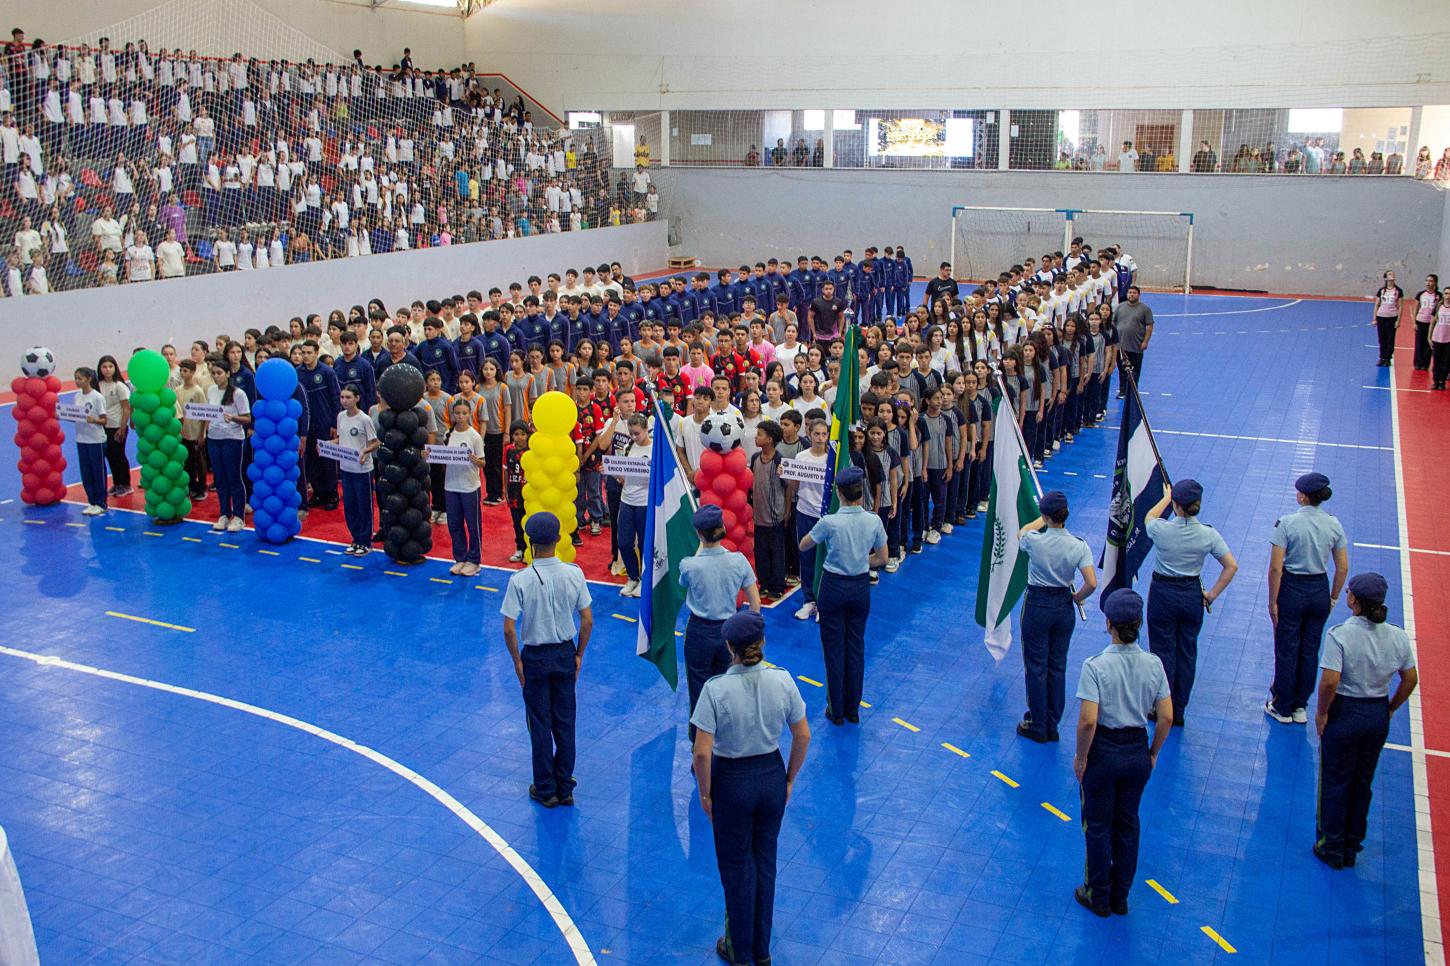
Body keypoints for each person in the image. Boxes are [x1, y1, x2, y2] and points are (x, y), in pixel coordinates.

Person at [691, 610, 811, 966]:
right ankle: (762, 951)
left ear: (729, 647)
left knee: (736, 867)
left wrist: (705, 794)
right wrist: (788, 778)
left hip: (732, 781)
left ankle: (739, 951)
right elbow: (802, 735)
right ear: (762, 642)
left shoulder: (716, 689)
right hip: (770, 774)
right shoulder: (782, 680)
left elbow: (702, 752)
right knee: (765, 863)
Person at [1073, 589, 1173, 917]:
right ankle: (1120, 896)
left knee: (1098, 825)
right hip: (1136, 750)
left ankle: (1097, 894)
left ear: (1109, 624)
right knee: (1128, 824)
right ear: (1139, 624)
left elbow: (1088, 721)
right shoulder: (1154, 665)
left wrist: (1082, 758)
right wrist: (1152, 753)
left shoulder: (1095, 666)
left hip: (1103, 751)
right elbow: (1166, 717)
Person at [1313, 572, 1418, 869]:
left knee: (1335, 780)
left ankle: (1330, 845)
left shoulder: (1340, 635)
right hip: (1376, 713)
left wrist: (1322, 713)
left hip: (1346, 712)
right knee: (1363, 781)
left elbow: (1330, 682)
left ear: (1354, 601)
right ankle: (1352, 844)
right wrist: (1390, 708)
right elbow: (1410, 678)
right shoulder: (1397, 636)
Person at [501, 511, 593, 808]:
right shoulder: (574, 573)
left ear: (529, 542)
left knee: (540, 724)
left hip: (536, 658)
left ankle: (546, 789)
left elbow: (509, 627)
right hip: (565, 653)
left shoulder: (520, 580)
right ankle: (565, 786)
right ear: (558, 539)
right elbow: (587, 620)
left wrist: (517, 662)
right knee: (565, 722)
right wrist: (579, 654)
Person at [1143, 479, 1238, 726]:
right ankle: (1179, 710)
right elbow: (1231, 566)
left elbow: (1149, 517)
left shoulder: (1161, 530)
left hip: (1163, 593)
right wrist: (1212, 594)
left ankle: (1162, 707)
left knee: (1162, 651)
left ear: (1176, 505)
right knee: (1187, 651)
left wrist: (1165, 498)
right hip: (1191, 594)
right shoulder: (1208, 534)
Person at [799, 465, 890, 725]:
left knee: (833, 648)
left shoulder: (830, 522)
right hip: (859, 587)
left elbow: (804, 545)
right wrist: (860, 560)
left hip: (833, 587)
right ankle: (853, 710)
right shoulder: (873, 520)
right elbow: (883, 558)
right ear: (861, 493)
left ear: (838, 493)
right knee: (856, 647)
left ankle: (836, 710)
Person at [1266, 472, 1349, 725]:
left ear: (1302, 496)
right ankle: (1300, 705)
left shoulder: (1287, 523)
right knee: (1310, 649)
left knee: (1287, 648)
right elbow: (1342, 567)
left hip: (1293, 588)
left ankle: (1282, 706)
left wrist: (1273, 601)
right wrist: (1333, 597)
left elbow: (1276, 568)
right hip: (1319, 589)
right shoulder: (1334, 524)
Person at [1017, 490, 1098, 742]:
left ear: (1046, 516)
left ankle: (1037, 722)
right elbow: (1091, 583)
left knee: (1036, 665)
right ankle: (1052, 723)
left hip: (1038, 604)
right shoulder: (1079, 545)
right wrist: (1077, 597)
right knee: (1057, 664)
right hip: (1063, 605)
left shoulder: (1035, 541)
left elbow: (1022, 532)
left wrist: (1039, 520)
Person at [680, 504, 761, 740]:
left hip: (699, 633)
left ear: (699, 534)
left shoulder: (689, 565)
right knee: (728, 689)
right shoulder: (738, 561)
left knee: (699, 690)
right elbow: (755, 603)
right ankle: (725, 740)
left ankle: (699, 743)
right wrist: (749, 635)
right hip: (730, 633)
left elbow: (684, 582)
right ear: (723, 528)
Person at [205, 359, 251, 533]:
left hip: (232, 439)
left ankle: (238, 516)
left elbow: (247, 418)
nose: (216, 376)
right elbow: (208, 412)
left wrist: (233, 418)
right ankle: (224, 513)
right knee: (220, 478)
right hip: (214, 438)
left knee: (234, 477)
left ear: (227, 374)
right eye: (213, 373)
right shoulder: (211, 390)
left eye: (219, 373)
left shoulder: (238, 394)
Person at [442, 399, 486, 575]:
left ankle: (474, 560)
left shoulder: (474, 436)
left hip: (469, 486)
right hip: (451, 486)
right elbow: (444, 457)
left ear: (470, 414)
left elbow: (482, 462)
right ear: (453, 414)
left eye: (464, 413)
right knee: (454, 524)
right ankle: (460, 558)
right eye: (457, 413)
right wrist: (430, 455)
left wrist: (476, 461)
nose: (460, 416)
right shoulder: (448, 434)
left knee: (473, 525)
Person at [335, 384, 379, 555]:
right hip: (345, 468)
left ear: (357, 398)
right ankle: (356, 538)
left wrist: (365, 452)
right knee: (350, 505)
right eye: (342, 397)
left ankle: (366, 541)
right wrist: (327, 445)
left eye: (348, 397)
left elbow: (375, 442)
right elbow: (340, 439)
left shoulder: (364, 419)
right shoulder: (340, 417)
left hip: (362, 470)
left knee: (364, 506)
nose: (344, 401)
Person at [71, 366, 110, 516]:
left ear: (89, 379)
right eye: (76, 378)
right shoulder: (77, 396)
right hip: (81, 438)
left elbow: (104, 420)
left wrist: (94, 420)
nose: (77, 381)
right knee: (86, 472)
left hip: (96, 440)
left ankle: (101, 503)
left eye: (80, 378)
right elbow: (75, 415)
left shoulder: (97, 397)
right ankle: (92, 501)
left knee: (97, 472)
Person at [1113, 286, 1153, 396]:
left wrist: (1145, 341)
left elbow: (1149, 326)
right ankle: (1122, 391)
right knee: (1122, 370)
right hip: (1121, 346)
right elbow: (1113, 323)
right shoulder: (1120, 307)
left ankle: (1133, 391)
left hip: (1136, 346)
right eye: (1130, 292)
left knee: (1135, 370)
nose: (1131, 294)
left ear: (1138, 295)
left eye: (1134, 293)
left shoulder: (1145, 309)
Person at [1372, 270, 1404, 367]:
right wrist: (1374, 318)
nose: (1392, 275)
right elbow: (1377, 305)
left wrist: (1398, 320)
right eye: (1389, 274)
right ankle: (1382, 357)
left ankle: (1388, 358)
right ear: (1386, 278)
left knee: (1390, 338)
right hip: (1381, 317)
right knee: (1382, 338)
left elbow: (1401, 306)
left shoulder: (1398, 291)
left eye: (1393, 274)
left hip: (1392, 317)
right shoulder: (1381, 290)